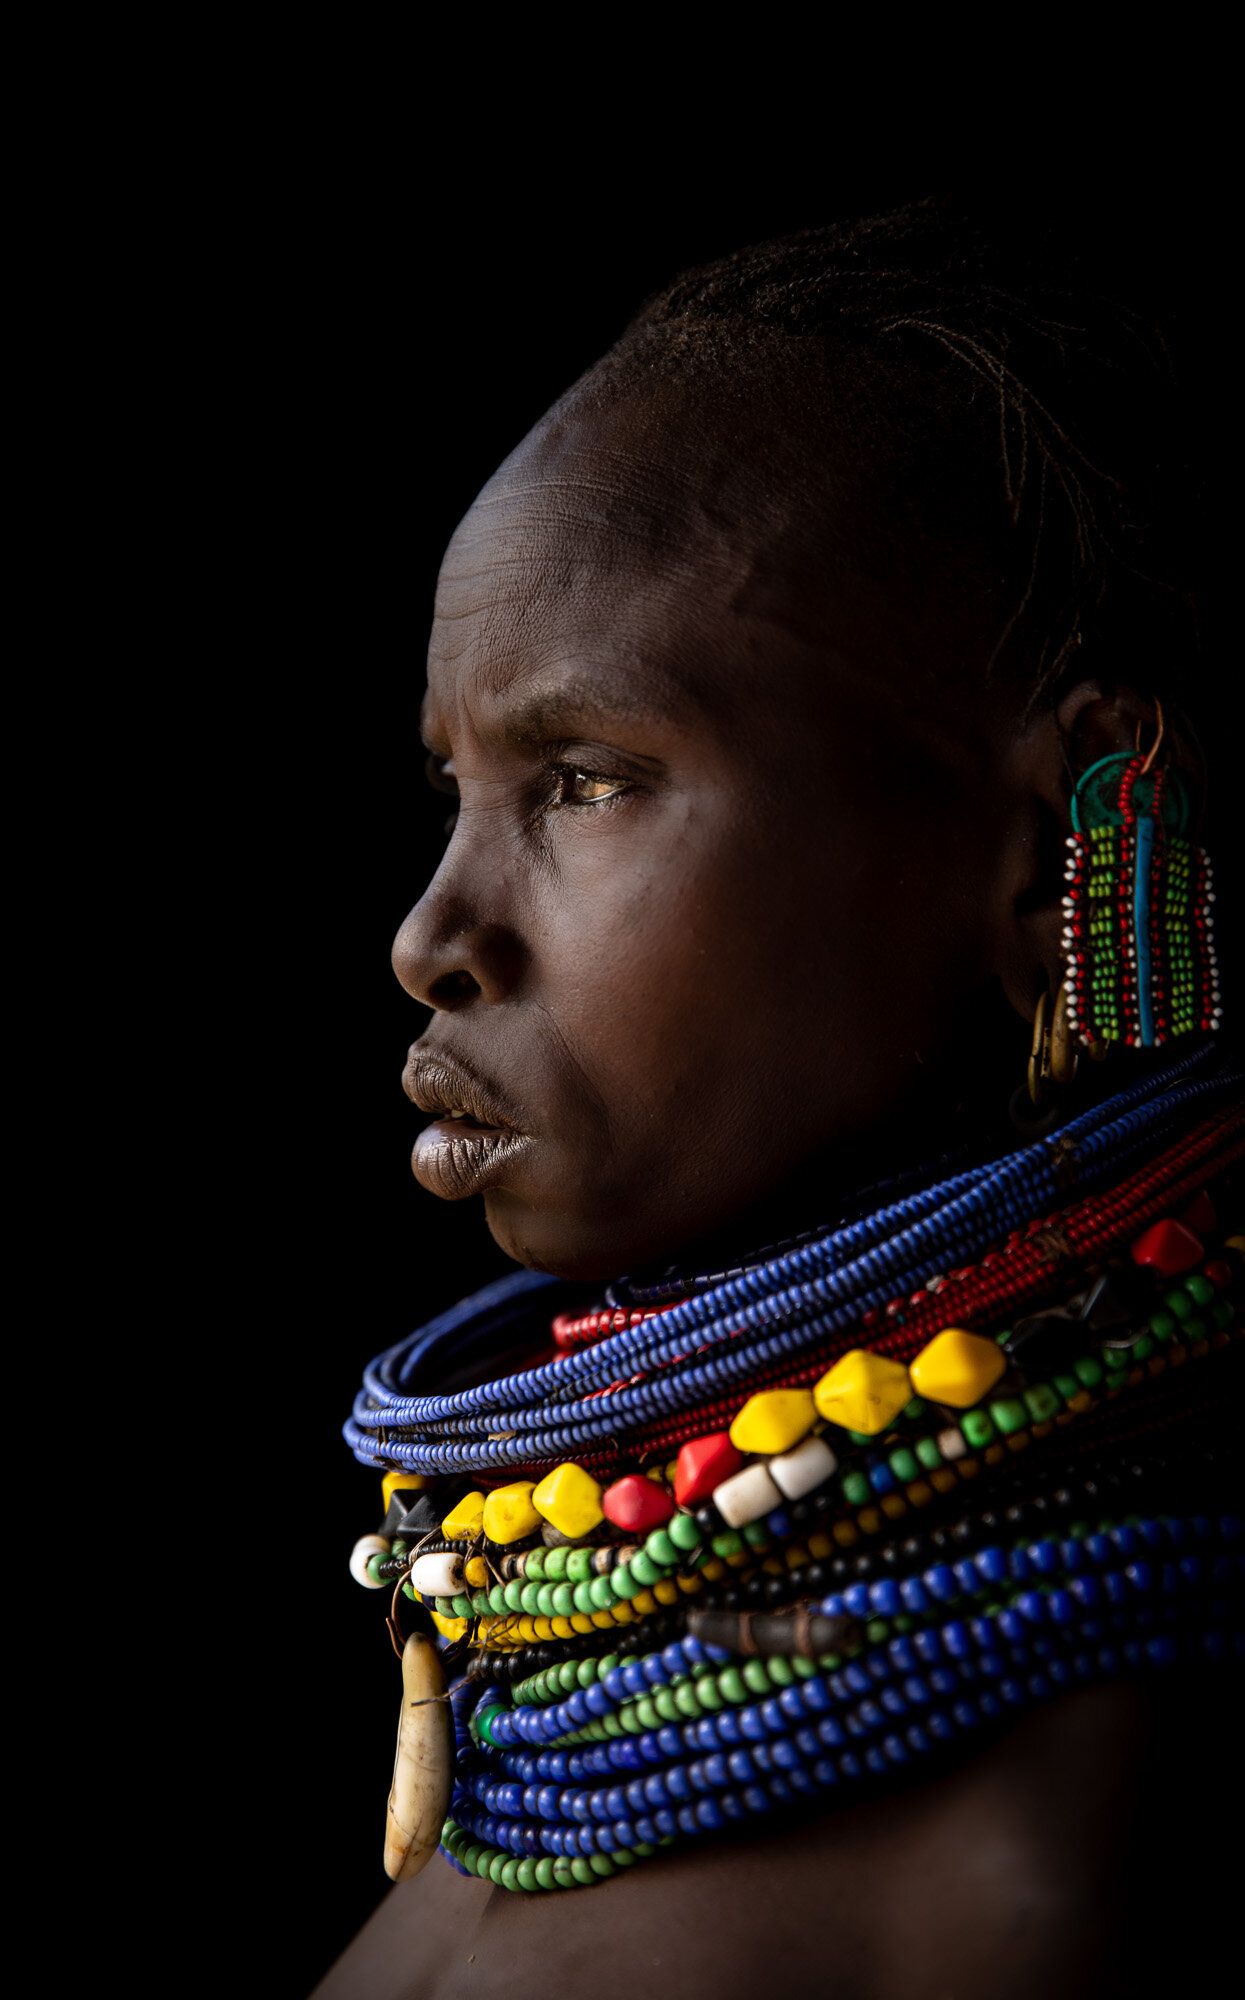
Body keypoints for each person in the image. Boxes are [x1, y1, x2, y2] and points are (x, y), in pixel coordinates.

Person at [318, 203, 1240, 1998]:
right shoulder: (546, 1741)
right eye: (456, 783)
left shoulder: (1058, 1856)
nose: (434, 935)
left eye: (585, 781)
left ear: (1050, 847)